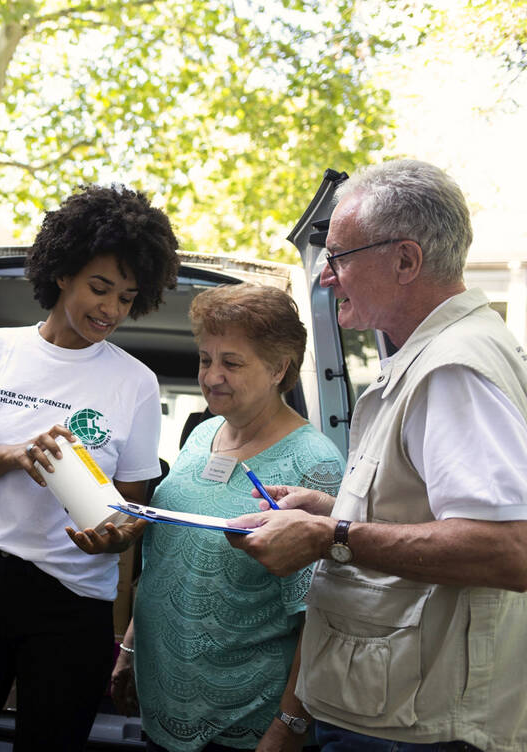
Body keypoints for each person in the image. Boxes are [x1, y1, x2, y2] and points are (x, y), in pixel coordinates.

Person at [227, 159, 527, 752]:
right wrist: (332, 509)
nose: (326, 279)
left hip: (421, 729)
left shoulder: (452, 369)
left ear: (406, 261)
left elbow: (506, 548)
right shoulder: (442, 355)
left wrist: (328, 535)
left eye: (338, 257)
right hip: (404, 710)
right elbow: (434, 510)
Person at [0, 184, 179, 751]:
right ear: (62, 272)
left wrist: (112, 538)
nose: (110, 310)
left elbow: (129, 507)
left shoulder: (134, 382)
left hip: (74, 602)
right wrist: (14, 456)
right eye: (100, 287)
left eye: (127, 298)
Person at [100, 284, 344, 752]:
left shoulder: (315, 464)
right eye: (205, 359)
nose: (211, 376)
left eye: (231, 363)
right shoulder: (204, 433)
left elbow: (321, 621)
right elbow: (170, 559)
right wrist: (130, 648)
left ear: (279, 368)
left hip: (242, 722)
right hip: (162, 701)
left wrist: (287, 728)